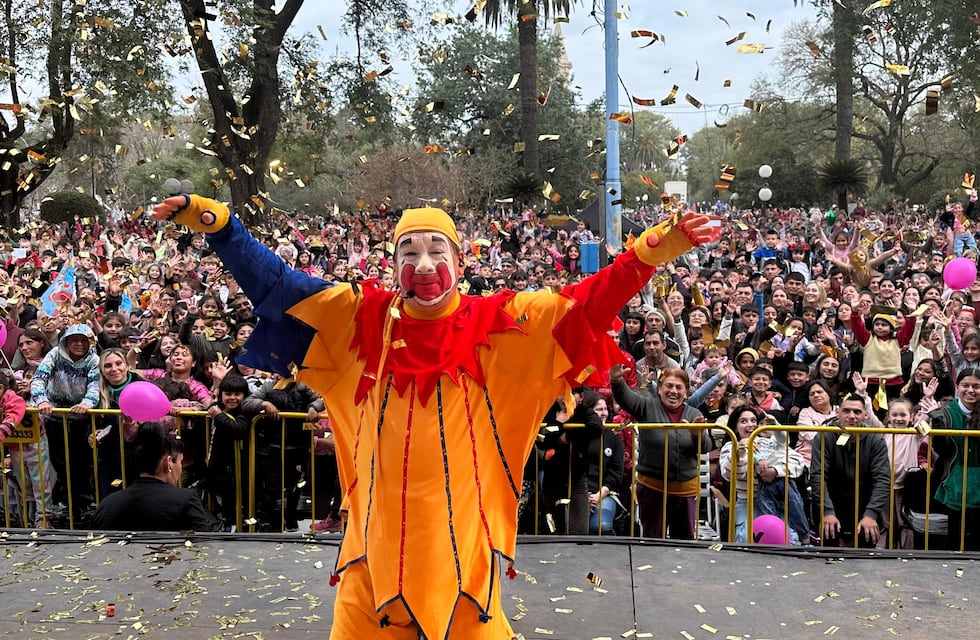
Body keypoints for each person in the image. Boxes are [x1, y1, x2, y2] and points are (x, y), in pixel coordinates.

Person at [153, 194, 720, 640]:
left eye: (436, 251)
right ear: (392, 262)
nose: (423, 266)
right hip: (374, 544)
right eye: (408, 253)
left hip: (462, 547)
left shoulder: (503, 324)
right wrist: (219, 225)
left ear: (460, 259)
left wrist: (648, 252)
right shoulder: (358, 319)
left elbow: (586, 303)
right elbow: (278, 286)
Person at [609, 365, 709, 540]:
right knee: (653, 542)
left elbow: (706, 447)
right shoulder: (647, 407)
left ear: (686, 392)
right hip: (652, 489)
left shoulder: (695, 413)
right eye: (668, 386)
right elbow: (627, 399)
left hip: (685, 491)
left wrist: (696, 435)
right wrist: (617, 381)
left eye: (679, 387)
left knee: (684, 542)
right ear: (659, 389)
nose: (673, 391)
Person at [29, 324, 101, 524]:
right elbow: (38, 379)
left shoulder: (94, 360)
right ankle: (67, 506)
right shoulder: (54, 354)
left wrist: (86, 403)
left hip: (81, 419)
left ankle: (83, 506)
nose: (78, 344)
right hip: (55, 417)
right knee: (60, 463)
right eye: (74, 340)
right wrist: (41, 400)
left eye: (83, 340)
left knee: (82, 464)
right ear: (66, 342)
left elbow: (95, 385)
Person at [91, 422, 219, 531]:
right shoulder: (186, 500)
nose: (181, 469)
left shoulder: (108, 505)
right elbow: (203, 545)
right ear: (168, 462)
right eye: (180, 462)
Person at [808, 394, 891, 548]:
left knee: (864, 557)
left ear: (865, 415)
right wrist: (827, 511)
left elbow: (883, 479)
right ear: (837, 412)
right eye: (846, 411)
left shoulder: (875, 438)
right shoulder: (824, 435)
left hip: (864, 502)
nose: (851, 416)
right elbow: (817, 476)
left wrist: (871, 514)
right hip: (831, 500)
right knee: (829, 554)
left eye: (857, 412)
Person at [922, 367, 980, 550]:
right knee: (956, 536)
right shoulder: (946, 411)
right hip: (954, 479)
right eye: (965, 385)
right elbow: (942, 449)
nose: (970, 390)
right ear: (957, 387)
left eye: (976, 386)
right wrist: (936, 419)